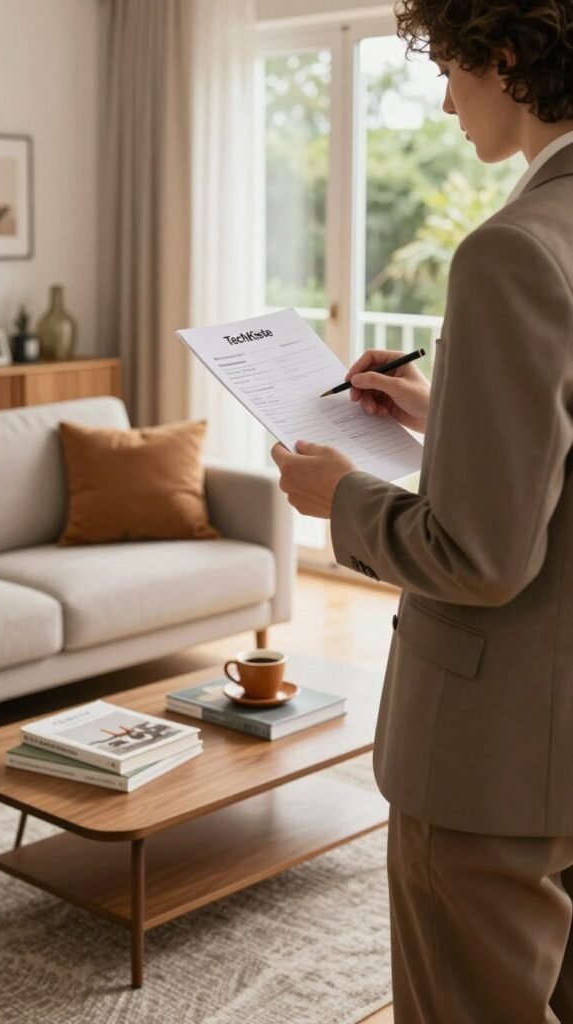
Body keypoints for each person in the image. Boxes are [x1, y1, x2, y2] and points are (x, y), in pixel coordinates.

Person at [271, 2, 573, 1020]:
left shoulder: (514, 249)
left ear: (506, 58)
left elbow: (479, 557)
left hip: (494, 746)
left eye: (449, 70)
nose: (445, 102)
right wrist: (446, 411)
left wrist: (340, 498)